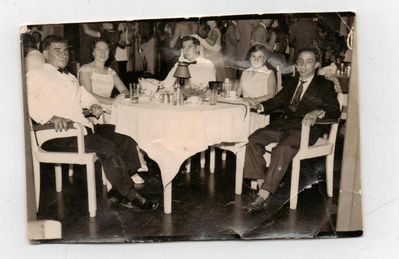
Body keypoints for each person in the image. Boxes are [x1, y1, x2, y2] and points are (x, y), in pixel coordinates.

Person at [27, 35, 159, 211]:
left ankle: (119, 189)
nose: (63, 54)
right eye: (57, 50)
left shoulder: (70, 77)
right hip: (57, 135)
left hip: (82, 129)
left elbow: (84, 96)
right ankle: (130, 195)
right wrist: (50, 118)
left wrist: (93, 104)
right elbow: (25, 98)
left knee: (125, 135)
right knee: (106, 147)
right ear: (44, 53)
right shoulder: (36, 75)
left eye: (65, 50)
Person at [243, 48, 340, 215]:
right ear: (296, 65)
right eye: (300, 61)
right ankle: (263, 183)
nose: (303, 65)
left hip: (305, 129)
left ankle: (263, 196)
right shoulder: (292, 83)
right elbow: (276, 101)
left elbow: (334, 112)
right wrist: (259, 105)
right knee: (253, 139)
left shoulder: (325, 85)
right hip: (284, 126)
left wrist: (317, 112)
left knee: (282, 149)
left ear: (316, 65)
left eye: (308, 61)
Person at [78, 38, 147, 185]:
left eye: (106, 50)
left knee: (131, 119)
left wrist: (123, 96)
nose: (102, 52)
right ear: (93, 52)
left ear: (109, 53)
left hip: (110, 106)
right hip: (93, 109)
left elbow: (124, 90)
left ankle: (131, 167)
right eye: (99, 49)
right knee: (122, 123)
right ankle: (129, 168)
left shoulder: (110, 71)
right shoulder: (86, 69)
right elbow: (88, 94)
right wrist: (112, 102)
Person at [237, 44, 277, 134]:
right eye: (253, 56)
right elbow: (237, 93)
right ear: (249, 57)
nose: (256, 59)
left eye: (260, 57)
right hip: (244, 109)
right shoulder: (245, 72)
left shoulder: (269, 73)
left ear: (265, 59)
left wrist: (254, 100)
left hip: (259, 110)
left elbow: (271, 95)